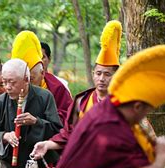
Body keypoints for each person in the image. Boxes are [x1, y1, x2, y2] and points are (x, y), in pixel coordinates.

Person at [32, 21, 123, 156]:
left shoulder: (126, 102)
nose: (101, 78)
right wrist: (47, 144)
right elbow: (69, 134)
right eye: (98, 73)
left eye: (107, 74)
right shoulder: (82, 101)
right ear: (93, 74)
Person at [11, 31, 72, 123]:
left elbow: (67, 118)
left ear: (42, 73)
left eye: (31, 79)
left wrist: (38, 121)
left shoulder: (57, 87)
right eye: (23, 80)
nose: (27, 84)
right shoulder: (9, 88)